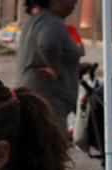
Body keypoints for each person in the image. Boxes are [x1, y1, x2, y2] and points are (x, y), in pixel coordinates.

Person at [15, 0, 82, 132]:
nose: (75, 3)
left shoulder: (36, 20)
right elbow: (47, 44)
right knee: (52, 139)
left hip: (34, 90)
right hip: (49, 95)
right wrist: (55, 68)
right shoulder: (52, 21)